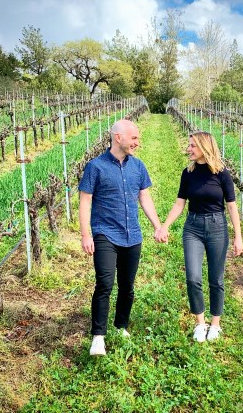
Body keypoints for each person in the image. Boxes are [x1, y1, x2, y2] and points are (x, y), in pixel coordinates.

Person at [79, 119, 161, 356]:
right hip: (105, 232)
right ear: (118, 137)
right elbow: (85, 201)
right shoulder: (95, 167)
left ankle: (121, 326)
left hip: (132, 234)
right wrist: (86, 235)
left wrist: (157, 225)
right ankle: (98, 336)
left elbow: (144, 198)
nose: (137, 142)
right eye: (134, 138)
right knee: (105, 283)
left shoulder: (138, 167)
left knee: (127, 285)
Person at [156, 131, 243, 342]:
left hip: (217, 227)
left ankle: (215, 324)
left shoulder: (222, 174)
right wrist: (164, 226)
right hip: (193, 227)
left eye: (193, 146)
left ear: (205, 147)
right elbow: (179, 203)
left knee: (216, 278)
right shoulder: (188, 173)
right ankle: (200, 323)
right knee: (193, 277)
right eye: (189, 145)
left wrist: (238, 237)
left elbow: (231, 207)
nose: (189, 149)